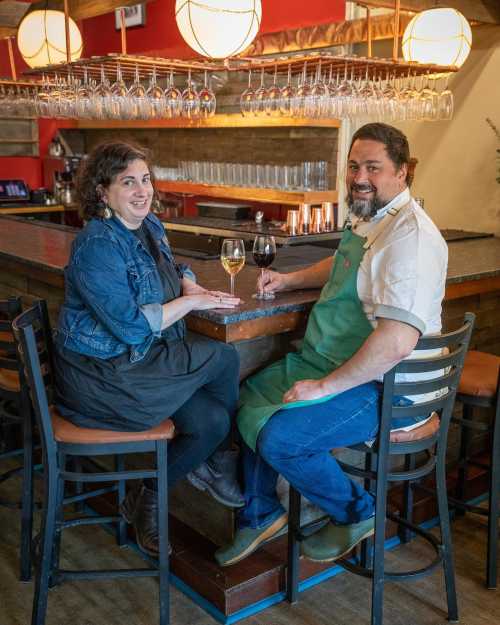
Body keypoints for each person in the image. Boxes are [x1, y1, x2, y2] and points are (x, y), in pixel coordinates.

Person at [215, 123, 448, 566]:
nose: (359, 177)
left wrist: (322, 388)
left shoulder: (411, 240)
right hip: (334, 360)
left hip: (386, 387)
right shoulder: (371, 214)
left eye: (373, 168)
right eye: (354, 165)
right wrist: (290, 280)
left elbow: (396, 342)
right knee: (244, 397)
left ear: (404, 171)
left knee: (280, 437)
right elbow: (343, 262)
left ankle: (359, 511)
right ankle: (261, 512)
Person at [54, 141, 245, 557]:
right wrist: (192, 302)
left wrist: (189, 282)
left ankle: (147, 499)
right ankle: (220, 461)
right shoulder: (97, 244)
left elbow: (170, 267)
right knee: (223, 355)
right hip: (104, 376)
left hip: (142, 366)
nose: (143, 191)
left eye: (145, 180)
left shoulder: (148, 226)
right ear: (103, 192)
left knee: (211, 421)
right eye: (128, 182)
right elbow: (128, 326)